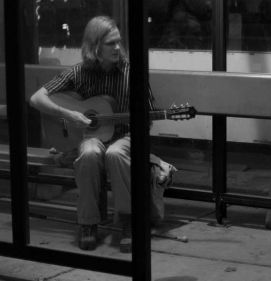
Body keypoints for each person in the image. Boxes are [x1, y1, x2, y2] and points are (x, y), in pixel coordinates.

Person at [30, 16, 176, 253]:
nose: (117, 48)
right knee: (88, 153)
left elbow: (147, 119)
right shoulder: (79, 73)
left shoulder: (132, 74)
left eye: (118, 42)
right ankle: (88, 223)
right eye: (110, 43)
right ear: (94, 45)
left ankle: (128, 221)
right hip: (93, 137)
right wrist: (69, 114)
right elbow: (36, 98)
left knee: (116, 154)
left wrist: (139, 122)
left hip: (126, 135)